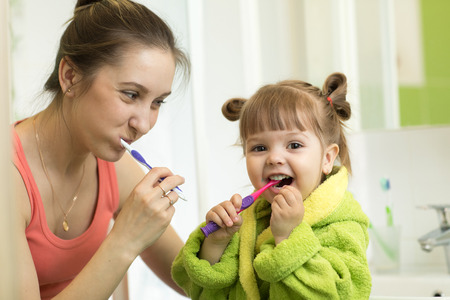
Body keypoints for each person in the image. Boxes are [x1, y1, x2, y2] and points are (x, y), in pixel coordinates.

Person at [11, 0, 190, 299]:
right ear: (71, 77)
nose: (144, 124)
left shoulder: (113, 166)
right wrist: (126, 239)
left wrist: (219, 239)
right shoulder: (9, 175)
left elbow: (192, 280)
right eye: (131, 94)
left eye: (157, 102)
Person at [172, 73, 372, 299]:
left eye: (294, 145)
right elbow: (197, 290)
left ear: (327, 158)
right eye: (259, 148)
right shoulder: (246, 219)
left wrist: (288, 236)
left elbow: (341, 293)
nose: (274, 158)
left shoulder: (343, 223)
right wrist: (215, 245)